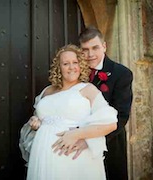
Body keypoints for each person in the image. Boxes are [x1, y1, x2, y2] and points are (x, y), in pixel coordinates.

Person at [19, 44, 118, 180]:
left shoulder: (88, 89)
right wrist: (35, 122)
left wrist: (75, 134)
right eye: (66, 63)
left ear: (81, 65)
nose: (71, 67)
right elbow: (39, 117)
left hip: (73, 158)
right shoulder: (47, 91)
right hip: (43, 156)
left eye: (75, 62)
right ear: (59, 68)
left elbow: (110, 124)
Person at [52, 26, 133, 180]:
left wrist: (89, 140)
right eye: (85, 50)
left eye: (95, 48)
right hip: (73, 143)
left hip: (109, 143)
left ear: (104, 46)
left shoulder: (122, 74)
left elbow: (121, 116)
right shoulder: (74, 71)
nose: (90, 54)